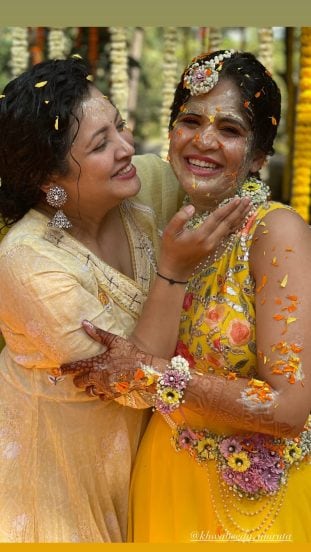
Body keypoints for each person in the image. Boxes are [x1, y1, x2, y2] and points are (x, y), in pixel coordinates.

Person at [61, 50, 311, 543]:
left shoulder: (277, 232)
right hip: (164, 472)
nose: (204, 139)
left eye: (231, 129)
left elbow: (288, 408)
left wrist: (151, 374)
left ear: (260, 156)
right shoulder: (174, 223)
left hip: (254, 507)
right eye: (190, 120)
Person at [0, 56, 250, 543]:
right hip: (51, 478)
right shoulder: (27, 264)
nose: (126, 148)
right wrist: (171, 272)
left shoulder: (147, 186)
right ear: (49, 182)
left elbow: (221, 179)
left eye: (119, 126)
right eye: (101, 145)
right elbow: (137, 385)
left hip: (145, 464)